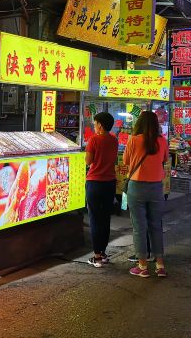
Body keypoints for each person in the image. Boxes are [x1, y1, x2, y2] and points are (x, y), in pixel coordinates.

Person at [123, 111, 169, 278]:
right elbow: (164, 159)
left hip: (137, 187)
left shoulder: (133, 140)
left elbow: (126, 161)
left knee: (139, 227)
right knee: (156, 225)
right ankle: (160, 265)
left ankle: (142, 266)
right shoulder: (162, 141)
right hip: (156, 187)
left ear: (139, 123)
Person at [84, 112, 118, 267]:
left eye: (95, 123)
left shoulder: (94, 140)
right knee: (105, 218)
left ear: (100, 125)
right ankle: (103, 253)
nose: (94, 125)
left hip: (95, 183)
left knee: (95, 219)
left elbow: (88, 161)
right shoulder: (114, 140)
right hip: (110, 183)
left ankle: (97, 256)